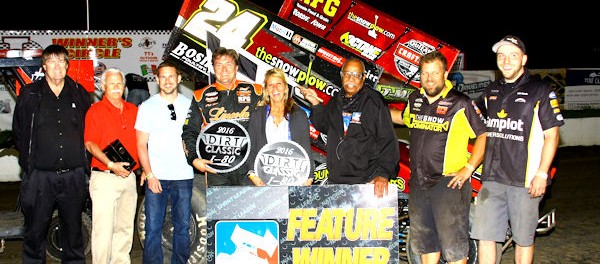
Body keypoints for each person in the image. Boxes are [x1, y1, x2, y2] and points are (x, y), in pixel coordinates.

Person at [470, 35, 564, 264]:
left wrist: (542, 174)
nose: (506, 60)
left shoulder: (540, 90)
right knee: (485, 237)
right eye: (501, 56)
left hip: (525, 181)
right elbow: (472, 116)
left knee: (523, 239)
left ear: (524, 59)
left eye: (513, 55)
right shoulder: (491, 91)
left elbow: (552, 135)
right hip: (491, 179)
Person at [391, 50, 487, 264]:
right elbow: (402, 118)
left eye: (435, 73)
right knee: (426, 244)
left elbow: (483, 134)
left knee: (454, 248)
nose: (430, 78)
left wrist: (469, 168)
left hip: (448, 184)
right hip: (418, 182)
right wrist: (372, 109)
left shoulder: (460, 103)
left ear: (445, 75)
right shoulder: (415, 99)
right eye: (425, 73)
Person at [12, 44, 92, 263]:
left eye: (61, 62)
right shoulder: (30, 94)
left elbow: (90, 130)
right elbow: (19, 131)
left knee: (74, 235)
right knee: (35, 234)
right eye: (52, 61)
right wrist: (30, 162)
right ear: (44, 65)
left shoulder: (79, 93)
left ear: (67, 65)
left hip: (73, 177)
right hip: (39, 177)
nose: (57, 66)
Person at [299, 57, 399, 198]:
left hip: (365, 182)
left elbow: (388, 139)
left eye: (356, 75)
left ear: (363, 78)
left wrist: (383, 174)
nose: (351, 79)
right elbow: (325, 125)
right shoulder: (336, 101)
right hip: (337, 181)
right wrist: (315, 103)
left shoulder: (374, 102)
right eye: (347, 74)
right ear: (341, 75)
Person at [135, 61, 194, 264]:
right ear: (157, 80)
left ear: (178, 79)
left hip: (184, 176)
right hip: (157, 177)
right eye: (163, 77)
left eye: (171, 76)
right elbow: (141, 144)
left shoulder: (190, 105)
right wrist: (149, 174)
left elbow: (197, 138)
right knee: (152, 228)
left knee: (183, 228)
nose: (167, 81)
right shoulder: (147, 107)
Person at [182, 47, 262, 186]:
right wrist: (194, 158)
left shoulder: (256, 91)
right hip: (216, 168)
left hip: (249, 167)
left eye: (228, 64)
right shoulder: (200, 96)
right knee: (220, 208)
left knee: (253, 207)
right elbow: (190, 130)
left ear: (236, 67)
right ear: (214, 68)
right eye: (219, 65)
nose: (224, 70)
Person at [84, 67, 139, 263]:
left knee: (125, 229)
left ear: (124, 87)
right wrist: (110, 164)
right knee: (103, 230)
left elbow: (141, 142)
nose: (116, 87)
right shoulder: (94, 111)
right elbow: (90, 143)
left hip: (129, 177)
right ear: (102, 86)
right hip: (105, 177)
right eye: (111, 84)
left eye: (119, 84)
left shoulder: (134, 110)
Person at [246, 68, 313, 186]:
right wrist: (253, 175)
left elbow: (305, 149)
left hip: (293, 179)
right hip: (263, 179)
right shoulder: (258, 114)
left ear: (285, 87)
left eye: (278, 84)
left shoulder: (299, 114)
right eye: (270, 85)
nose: (275, 89)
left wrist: (308, 178)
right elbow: (251, 148)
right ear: (266, 89)